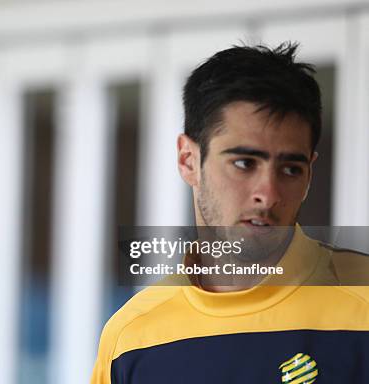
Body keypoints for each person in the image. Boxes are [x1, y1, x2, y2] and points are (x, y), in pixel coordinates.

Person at [92, 43, 369, 383]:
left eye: (290, 169)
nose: (267, 195)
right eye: (243, 163)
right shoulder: (131, 337)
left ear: (310, 171)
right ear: (188, 160)